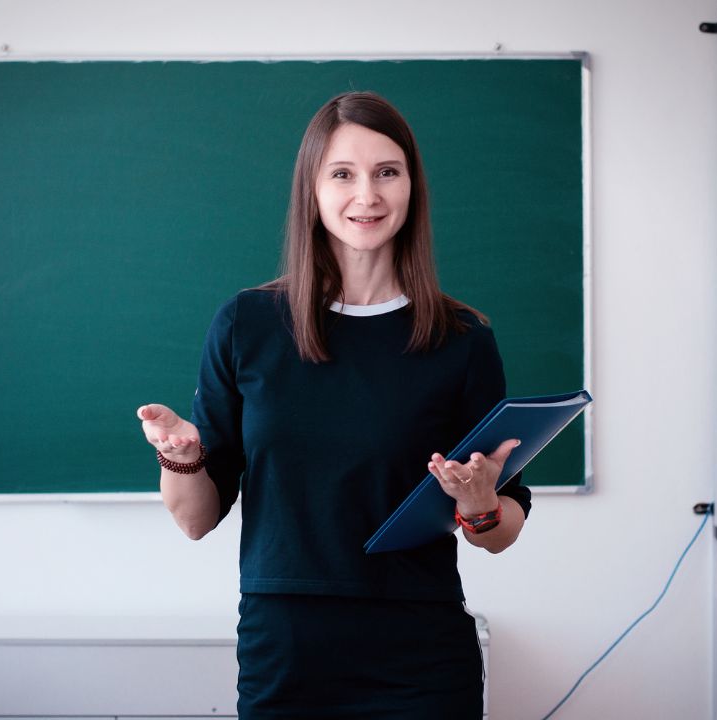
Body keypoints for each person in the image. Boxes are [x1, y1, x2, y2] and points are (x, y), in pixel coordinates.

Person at [136, 91, 530, 719]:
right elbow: (196, 521)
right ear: (312, 192)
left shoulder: (462, 340)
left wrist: (480, 506)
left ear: (412, 188)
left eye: (387, 173)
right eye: (342, 174)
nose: (366, 196)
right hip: (285, 650)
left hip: (420, 654)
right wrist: (181, 458)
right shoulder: (248, 325)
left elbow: (503, 531)